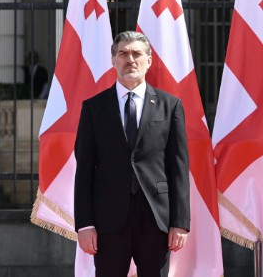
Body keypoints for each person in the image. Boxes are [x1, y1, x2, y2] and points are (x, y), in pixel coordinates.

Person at [74, 31, 189, 277]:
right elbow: (83, 168)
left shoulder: (170, 106)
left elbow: (178, 167)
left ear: (149, 61)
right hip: (108, 220)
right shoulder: (93, 107)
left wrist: (180, 222)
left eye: (137, 53)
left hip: (156, 219)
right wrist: (85, 224)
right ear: (113, 60)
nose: (130, 59)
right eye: (123, 53)